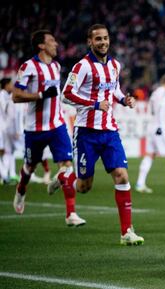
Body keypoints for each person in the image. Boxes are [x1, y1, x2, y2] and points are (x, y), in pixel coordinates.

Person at [55, 23, 144, 245]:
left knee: (122, 176)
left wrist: (124, 99)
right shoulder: (82, 67)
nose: (103, 42)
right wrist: (95, 104)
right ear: (90, 42)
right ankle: (65, 177)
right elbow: (66, 94)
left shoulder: (115, 65)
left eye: (105, 38)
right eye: (98, 39)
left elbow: (113, 89)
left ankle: (126, 233)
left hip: (109, 131)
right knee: (84, 187)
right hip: (86, 133)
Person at [12, 30, 85, 226]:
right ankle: (21, 190)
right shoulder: (28, 67)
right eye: (52, 41)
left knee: (68, 167)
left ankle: (71, 214)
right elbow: (16, 95)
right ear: (41, 46)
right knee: (30, 166)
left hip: (57, 125)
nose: (56, 44)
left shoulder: (56, 66)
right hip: (34, 129)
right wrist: (41, 95)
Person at [0, 78, 24, 185]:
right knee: (6, 152)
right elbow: (7, 112)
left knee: (8, 152)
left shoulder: (6, 96)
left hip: (5, 128)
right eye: (10, 84)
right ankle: (5, 175)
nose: (12, 86)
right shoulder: (3, 96)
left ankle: (8, 174)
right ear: (6, 85)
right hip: (4, 128)